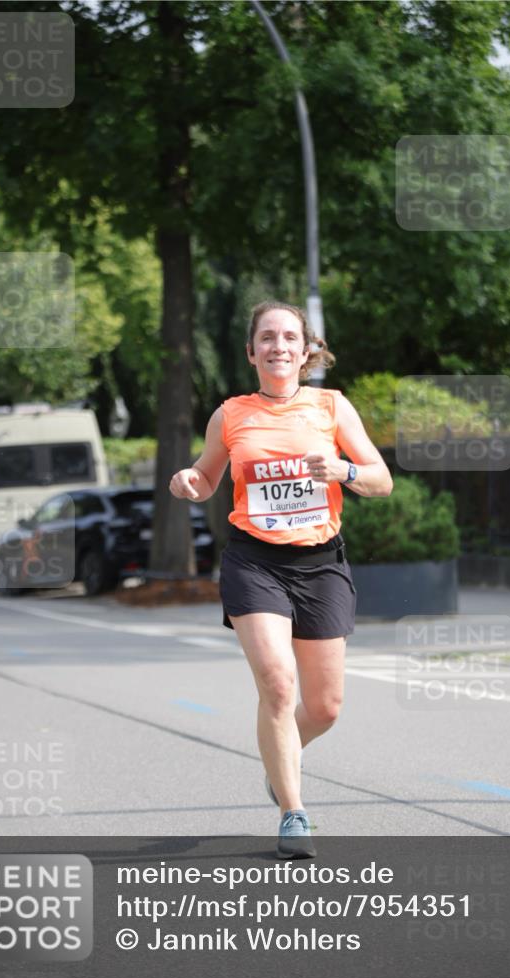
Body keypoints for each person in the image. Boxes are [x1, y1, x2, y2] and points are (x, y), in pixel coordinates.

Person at [169, 301, 393, 858]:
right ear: (252, 352)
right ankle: (293, 813)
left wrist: (342, 470)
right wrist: (190, 483)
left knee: (324, 707)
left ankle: (282, 758)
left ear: (306, 350)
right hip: (255, 562)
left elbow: (381, 479)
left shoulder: (331, 407)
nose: (278, 346)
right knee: (277, 682)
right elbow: (206, 473)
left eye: (289, 337)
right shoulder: (230, 414)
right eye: (267, 337)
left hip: (321, 563)